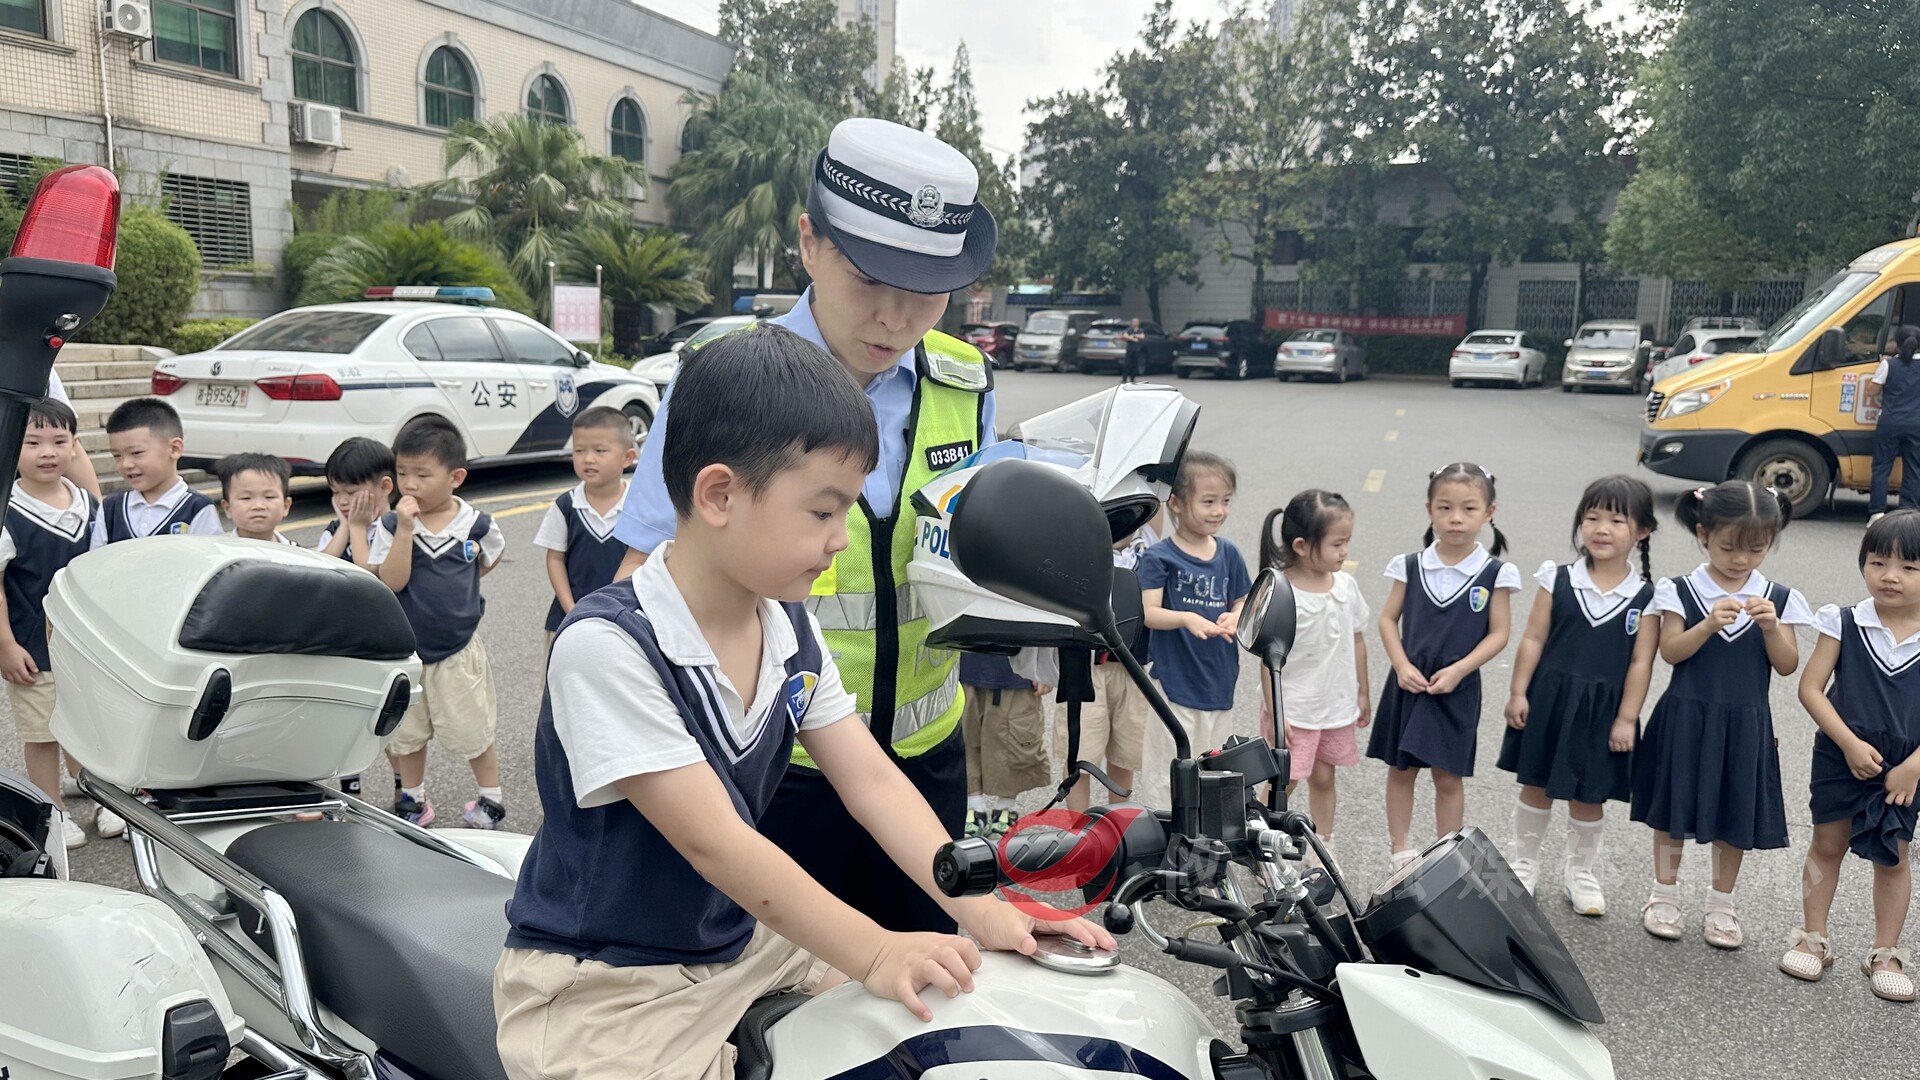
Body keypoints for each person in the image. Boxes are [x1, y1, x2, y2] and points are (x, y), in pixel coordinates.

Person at [496, 326, 1111, 1080]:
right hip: (614, 985)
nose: (837, 540)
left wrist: (981, 908)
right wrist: (878, 947)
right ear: (719, 494)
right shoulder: (608, 646)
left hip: (738, 942)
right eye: (823, 513)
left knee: (928, 1041)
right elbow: (715, 841)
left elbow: (873, 780)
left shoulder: (786, 625)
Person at [609, 118, 1000, 934]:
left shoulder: (966, 383)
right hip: (773, 764)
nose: (894, 318)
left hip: (921, 761)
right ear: (809, 242)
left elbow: (967, 545)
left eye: (925, 292)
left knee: (927, 985)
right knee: (778, 1005)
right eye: (869, 280)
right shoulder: (730, 382)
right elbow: (643, 577)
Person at [1631, 480, 1808, 949]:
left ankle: (1721, 905)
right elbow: (1671, 652)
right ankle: (1662, 895)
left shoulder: (1778, 597)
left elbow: (1787, 666)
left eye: (1757, 548)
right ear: (1703, 533)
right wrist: (1707, 624)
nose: (1741, 559)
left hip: (1746, 720)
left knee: (1735, 812)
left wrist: (1771, 628)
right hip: (1686, 717)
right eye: (1729, 546)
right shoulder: (1681, 589)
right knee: (1672, 809)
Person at [1498, 476, 1660, 913]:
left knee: (1589, 797)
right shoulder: (1558, 578)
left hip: (1603, 712)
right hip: (1549, 699)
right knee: (1536, 786)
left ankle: (1581, 873)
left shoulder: (1647, 597)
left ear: (1642, 531)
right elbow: (1533, 637)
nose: (1601, 528)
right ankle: (1523, 864)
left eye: (1616, 519)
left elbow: (1641, 662)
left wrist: (1627, 718)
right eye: (1592, 518)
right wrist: (1518, 692)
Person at [1780, 511, 1920, 1003]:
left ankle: (1886, 952)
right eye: (1878, 562)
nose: (1890, 576)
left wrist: (1913, 766)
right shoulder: (1843, 621)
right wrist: (1847, 743)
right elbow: (1812, 688)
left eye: (1909, 567)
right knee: (1826, 842)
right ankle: (1813, 937)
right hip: (1841, 753)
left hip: (1907, 766)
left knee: (1894, 855)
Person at [1370, 462, 1519, 872]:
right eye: (1445, 507)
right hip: (1409, 682)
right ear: (1429, 509)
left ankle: (1444, 855)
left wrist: (1460, 670)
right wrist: (1400, 664)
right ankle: (1400, 851)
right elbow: (1387, 619)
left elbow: (1499, 633)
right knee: (1401, 770)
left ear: (1489, 512)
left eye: (1469, 509)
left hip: (1457, 686)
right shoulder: (1410, 564)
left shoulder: (1495, 573)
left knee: (1448, 776)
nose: (1456, 518)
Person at [369, 416, 506, 830]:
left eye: (422, 474)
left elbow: (488, 560)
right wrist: (406, 528)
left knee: (471, 728)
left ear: (456, 477)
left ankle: (491, 800)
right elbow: (392, 581)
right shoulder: (392, 524)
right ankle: (413, 800)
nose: (410, 484)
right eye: (403, 472)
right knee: (408, 732)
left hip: (457, 649)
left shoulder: (478, 525)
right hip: (405, 649)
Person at [0, 399, 104, 846]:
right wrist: (4, 644)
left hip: (87, 646)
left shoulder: (90, 506)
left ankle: (103, 798)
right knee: (43, 732)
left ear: (75, 446)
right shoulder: (8, 510)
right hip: (31, 645)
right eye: (33, 442)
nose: (47, 451)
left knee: (93, 726)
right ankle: (52, 812)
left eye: (59, 441)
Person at [1258, 490, 1369, 860]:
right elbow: (1267, 660)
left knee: (1325, 776)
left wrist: (1362, 693)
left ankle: (1323, 843)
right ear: (1303, 545)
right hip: (1296, 709)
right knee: (1284, 781)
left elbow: (1356, 641)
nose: (1344, 551)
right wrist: (1277, 712)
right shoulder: (1283, 593)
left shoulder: (1345, 586)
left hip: (1335, 705)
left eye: (1346, 542)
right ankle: (1262, 844)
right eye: (1337, 543)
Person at [1137, 451, 1251, 810]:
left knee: (1214, 768)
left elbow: (1244, 599)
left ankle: (1206, 846)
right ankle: (1166, 839)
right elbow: (1148, 613)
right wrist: (1186, 618)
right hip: (1173, 682)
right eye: (1208, 502)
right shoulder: (1160, 557)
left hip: (1218, 680)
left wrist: (1236, 615)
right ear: (1176, 503)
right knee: (1166, 769)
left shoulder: (1228, 553)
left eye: (1225, 502)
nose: (1218, 511)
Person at [1059, 512, 1161, 814]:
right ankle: (1078, 836)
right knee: (1078, 754)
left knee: (1124, 754)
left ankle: (1118, 830)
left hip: (1132, 666)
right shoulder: (1076, 548)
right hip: (1083, 665)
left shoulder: (1148, 548)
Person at [535, 406, 636, 642]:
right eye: (579, 450)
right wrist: (571, 608)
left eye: (600, 451)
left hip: (628, 621)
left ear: (627, 458)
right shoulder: (566, 506)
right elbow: (555, 558)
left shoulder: (638, 508)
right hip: (569, 619)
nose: (588, 458)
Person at [90, 398, 221, 547]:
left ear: (174, 449)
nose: (125, 464)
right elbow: (95, 564)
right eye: (117, 456)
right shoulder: (110, 508)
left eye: (136, 452)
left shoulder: (198, 508)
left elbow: (210, 564)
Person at [959, 651, 1051, 839]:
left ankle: (1006, 807)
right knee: (965, 735)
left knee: (1016, 740)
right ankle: (973, 806)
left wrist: (1046, 668)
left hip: (1019, 667)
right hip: (965, 656)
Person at [1866, 326, 1920, 524]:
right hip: (1917, 425)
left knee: (1881, 468)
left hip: (1890, 423)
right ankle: (1907, 514)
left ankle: (1877, 513)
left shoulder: (1890, 365)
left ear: (1897, 343)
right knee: (1914, 469)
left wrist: (1880, 367)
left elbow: (1872, 391)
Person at [316, 437, 394, 568]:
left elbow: (373, 575)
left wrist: (357, 528)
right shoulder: (334, 530)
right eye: (335, 492)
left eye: (351, 492)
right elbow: (319, 568)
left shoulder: (395, 528)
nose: (342, 501)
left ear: (384, 487)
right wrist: (345, 527)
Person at [214, 453, 296, 544]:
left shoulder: (298, 553)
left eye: (269, 497)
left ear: (286, 506)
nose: (258, 506)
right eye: (246, 498)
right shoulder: (219, 554)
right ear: (227, 508)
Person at [1120, 317, 1146, 385]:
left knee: (1135, 364)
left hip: (1137, 350)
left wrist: (1134, 336)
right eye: (1134, 322)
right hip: (1129, 349)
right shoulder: (1129, 329)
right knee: (1127, 364)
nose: (1135, 323)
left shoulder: (1140, 330)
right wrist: (1133, 339)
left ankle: (1132, 378)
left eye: (1136, 322)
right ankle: (1124, 378)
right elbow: (1125, 336)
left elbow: (1142, 336)